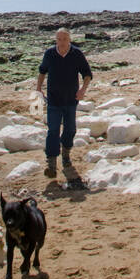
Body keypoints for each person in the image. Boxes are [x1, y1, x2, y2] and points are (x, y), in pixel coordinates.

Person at [36, 27, 92, 180]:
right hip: (53, 100)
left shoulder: (76, 54)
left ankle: (66, 155)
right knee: (53, 131)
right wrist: (38, 89)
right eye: (59, 39)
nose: (61, 42)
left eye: (64, 39)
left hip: (70, 100)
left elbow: (87, 74)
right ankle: (51, 165)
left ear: (70, 40)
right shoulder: (50, 54)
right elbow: (42, 71)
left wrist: (83, 90)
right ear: (56, 40)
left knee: (70, 130)